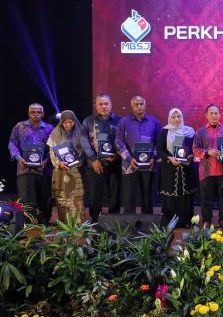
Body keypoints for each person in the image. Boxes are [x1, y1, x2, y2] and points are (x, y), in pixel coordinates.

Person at [193, 104, 223, 230]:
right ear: (206, 115)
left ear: (220, 115)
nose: (214, 116)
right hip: (206, 169)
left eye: (216, 113)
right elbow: (195, 149)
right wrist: (207, 152)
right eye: (211, 113)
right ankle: (207, 220)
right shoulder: (200, 132)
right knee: (205, 197)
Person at [8, 103, 53, 224]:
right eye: (33, 112)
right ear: (29, 113)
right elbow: (12, 143)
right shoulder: (20, 126)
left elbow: (53, 148)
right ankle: (27, 224)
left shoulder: (49, 128)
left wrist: (46, 161)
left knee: (45, 199)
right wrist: (18, 158)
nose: (36, 114)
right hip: (24, 169)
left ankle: (44, 224)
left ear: (43, 114)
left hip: (43, 170)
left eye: (39, 112)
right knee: (26, 199)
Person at [115, 96, 161, 214]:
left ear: (145, 105)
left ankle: (149, 223)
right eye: (136, 104)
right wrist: (129, 158)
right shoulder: (124, 122)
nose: (139, 106)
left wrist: (154, 157)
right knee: (129, 196)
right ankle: (128, 223)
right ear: (132, 106)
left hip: (149, 165)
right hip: (129, 165)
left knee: (147, 195)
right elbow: (118, 142)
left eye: (141, 104)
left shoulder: (154, 122)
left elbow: (159, 142)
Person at [80, 93, 122, 222]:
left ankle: (114, 220)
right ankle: (95, 220)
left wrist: (117, 156)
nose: (104, 106)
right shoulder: (88, 121)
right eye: (100, 104)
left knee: (115, 193)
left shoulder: (119, 121)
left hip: (115, 163)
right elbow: (84, 141)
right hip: (95, 164)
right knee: (95, 193)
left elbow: (123, 140)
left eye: (106, 103)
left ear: (111, 105)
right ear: (96, 106)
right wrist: (93, 159)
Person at [157, 108, 197, 228]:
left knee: (186, 195)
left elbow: (195, 148)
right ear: (170, 118)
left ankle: (186, 221)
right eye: (173, 117)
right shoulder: (165, 131)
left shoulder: (189, 131)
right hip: (170, 168)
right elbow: (159, 150)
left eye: (178, 117)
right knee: (170, 196)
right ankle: (171, 222)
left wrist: (191, 156)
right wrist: (170, 158)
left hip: (186, 169)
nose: (176, 119)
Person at [47, 110, 85, 222]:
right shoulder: (54, 134)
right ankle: (64, 224)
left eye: (71, 122)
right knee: (62, 197)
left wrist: (79, 160)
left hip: (76, 171)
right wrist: (59, 163)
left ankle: (78, 224)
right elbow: (52, 152)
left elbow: (84, 151)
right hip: (60, 172)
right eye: (65, 122)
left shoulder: (80, 133)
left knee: (76, 197)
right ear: (61, 122)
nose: (68, 124)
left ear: (74, 121)